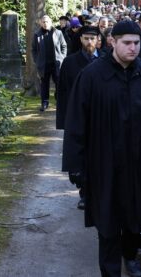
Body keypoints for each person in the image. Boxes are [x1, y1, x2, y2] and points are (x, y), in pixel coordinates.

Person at [62, 20, 141, 277]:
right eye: (127, 43)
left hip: (138, 162)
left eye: (137, 43)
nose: (133, 48)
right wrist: (76, 165)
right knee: (107, 221)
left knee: (135, 215)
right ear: (112, 42)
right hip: (103, 162)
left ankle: (131, 257)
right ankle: (110, 270)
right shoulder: (92, 76)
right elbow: (76, 122)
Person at [57, 26, 101, 210]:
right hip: (78, 118)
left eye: (92, 38)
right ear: (80, 39)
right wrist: (64, 120)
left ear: (99, 39)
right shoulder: (69, 63)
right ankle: (84, 193)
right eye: (86, 38)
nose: (89, 42)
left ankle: (98, 192)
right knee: (80, 157)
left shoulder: (106, 60)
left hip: (101, 117)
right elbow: (63, 93)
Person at [31, 15, 67, 112]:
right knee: (44, 84)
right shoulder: (37, 34)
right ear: (40, 23)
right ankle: (44, 103)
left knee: (59, 84)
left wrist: (62, 58)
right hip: (43, 64)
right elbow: (33, 50)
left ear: (51, 22)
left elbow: (64, 46)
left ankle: (59, 102)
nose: (45, 23)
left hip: (56, 63)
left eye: (47, 21)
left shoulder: (58, 32)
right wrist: (37, 60)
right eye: (43, 22)